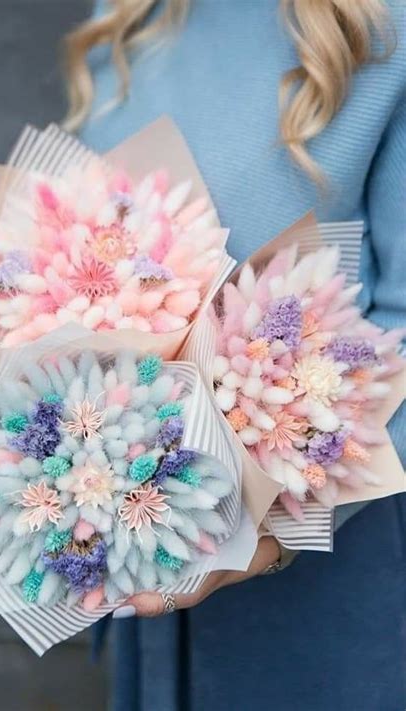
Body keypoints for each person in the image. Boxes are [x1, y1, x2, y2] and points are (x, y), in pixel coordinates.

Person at [63, 2, 405, 709]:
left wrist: (272, 536)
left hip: (333, 571)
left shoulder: (382, 27)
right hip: (146, 552)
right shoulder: (130, 15)